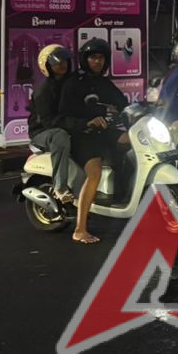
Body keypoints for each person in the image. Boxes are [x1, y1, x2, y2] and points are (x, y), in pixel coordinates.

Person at [55, 38, 130, 244]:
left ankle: (121, 195)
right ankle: (80, 229)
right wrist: (87, 121)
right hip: (82, 135)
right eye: (93, 57)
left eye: (101, 58)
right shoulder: (73, 83)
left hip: (105, 132)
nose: (97, 62)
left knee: (133, 143)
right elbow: (63, 116)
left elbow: (122, 103)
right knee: (94, 172)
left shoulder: (104, 82)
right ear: (85, 59)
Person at [28, 44, 78, 205]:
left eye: (64, 61)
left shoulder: (73, 84)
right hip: (43, 132)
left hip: (66, 126)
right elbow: (49, 121)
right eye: (56, 62)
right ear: (47, 66)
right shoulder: (44, 90)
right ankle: (60, 188)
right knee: (60, 136)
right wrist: (75, 124)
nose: (62, 65)